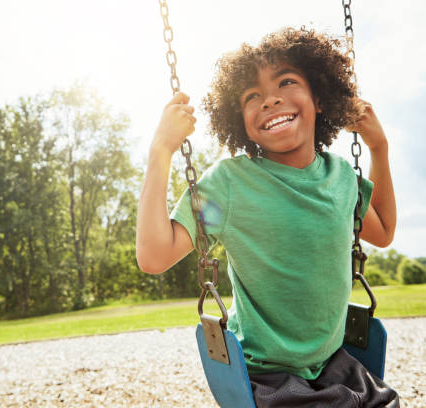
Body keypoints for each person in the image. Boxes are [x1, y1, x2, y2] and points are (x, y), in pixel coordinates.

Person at [136, 27, 399, 407]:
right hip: (266, 377)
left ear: (319, 97)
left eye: (286, 81)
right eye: (251, 96)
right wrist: (161, 150)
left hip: (334, 366)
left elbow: (385, 231)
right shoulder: (230, 184)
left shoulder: (341, 177)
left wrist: (379, 146)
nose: (270, 99)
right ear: (238, 118)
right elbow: (154, 256)